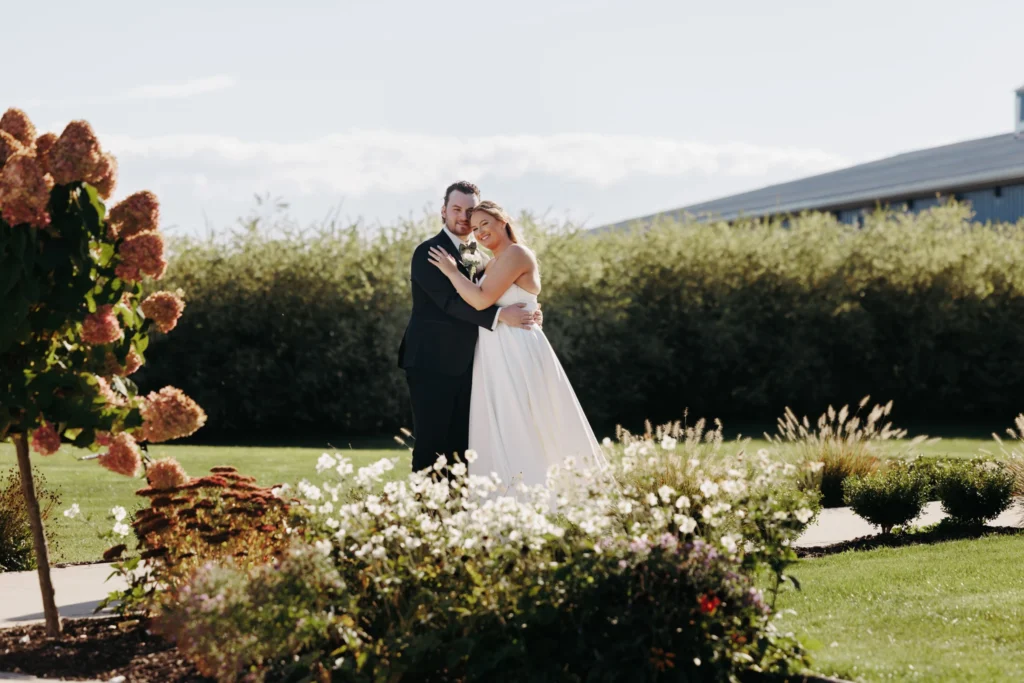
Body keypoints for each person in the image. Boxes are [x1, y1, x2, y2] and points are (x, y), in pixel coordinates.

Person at [426, 200, 607, 491]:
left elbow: (482, 299)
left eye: (486, 224)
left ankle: (536, 494)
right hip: (495, 348)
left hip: (516, 348)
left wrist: (451, 272)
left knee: (522, 420)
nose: (480, 232)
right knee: (499, 423)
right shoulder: (492, 261)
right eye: (475, 228)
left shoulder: (516, 253)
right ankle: (504, 496)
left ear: (504, 221)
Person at [398, 182, 541, 474]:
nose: (464, 216)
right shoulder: (429, 252)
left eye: (470, 211)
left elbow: (507, 288)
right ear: (444, 211)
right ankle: (422, 516)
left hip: (474, 363)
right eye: (457, 209)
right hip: (432, 361)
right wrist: (500, 315)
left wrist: (529, 310)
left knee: (464, 447)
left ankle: (457, 515)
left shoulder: (483, 257)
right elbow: (450, 303)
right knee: (431, 443)